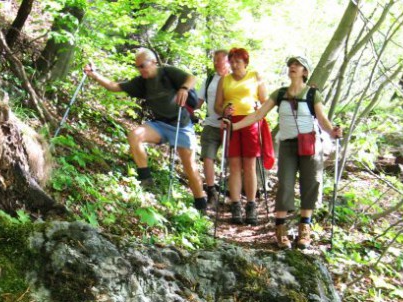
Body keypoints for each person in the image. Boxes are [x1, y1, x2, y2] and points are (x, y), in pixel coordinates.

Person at [230, 55, 342, 249]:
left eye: (298, 65)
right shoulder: (279, 94)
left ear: (305, 72)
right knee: (285, 184)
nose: (293, 67)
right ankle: (281, 230)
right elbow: (258, 114)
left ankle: (304, 231)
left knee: (311, 184)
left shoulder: (312, 94)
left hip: (310, 145)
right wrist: (234, 126)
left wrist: (332, 130)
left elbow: (322, 119)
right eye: (291, 64)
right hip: (288, 146)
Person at [83, 48, 207, 213]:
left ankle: (201, 204)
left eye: (143, 65)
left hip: (181, 125)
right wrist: (94, 75)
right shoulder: (141, 82)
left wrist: (183, 88)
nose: (141, 70)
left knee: (190, 167)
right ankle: (145, 179)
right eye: (138, 67)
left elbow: (191, 78)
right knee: (135, 135)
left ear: (154, 62)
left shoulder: (167, 72)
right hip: (159, 125)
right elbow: (114, 87)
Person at [215, 47, 267, 225]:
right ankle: (236, 204)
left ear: (246, 62)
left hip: (251, 122)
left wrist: (258, 109)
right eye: (232, 61)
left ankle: (251, 205)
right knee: (234, 165)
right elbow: (217, 106)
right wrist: (224, 110)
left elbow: (265, 101)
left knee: (250, 165)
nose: (235, 64)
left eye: (238, 61)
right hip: (231, 123)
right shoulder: (224, 79)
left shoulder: (255, 76)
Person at [195, 49, 231, 208]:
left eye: (220, 60)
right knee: (207, 157)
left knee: (233, 161)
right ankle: (211, 191)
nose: (216, 63)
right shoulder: (209, 80)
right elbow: (198, 101)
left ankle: (232, 194)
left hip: (232, 127)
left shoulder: (234, 80)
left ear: (228, 61)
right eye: (215, 60)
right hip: (211, 124)